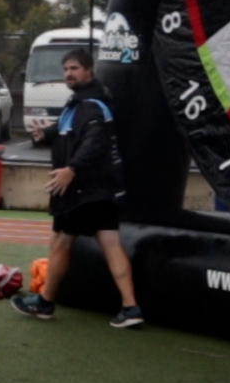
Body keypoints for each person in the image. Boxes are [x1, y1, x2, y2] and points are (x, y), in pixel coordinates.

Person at [12, 48, 142, 328]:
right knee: (111, 245)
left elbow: (95, 141)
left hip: (82, 192)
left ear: (89, 71)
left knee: (60, 243)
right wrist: (44, 134)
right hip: (100, 190)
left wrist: (71, 170)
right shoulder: (82, 102)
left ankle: (45, 302)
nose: (69, 73)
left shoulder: (90, 105)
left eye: (75, 68)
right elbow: (68, 131)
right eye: (66, 69)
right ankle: (131, 308)